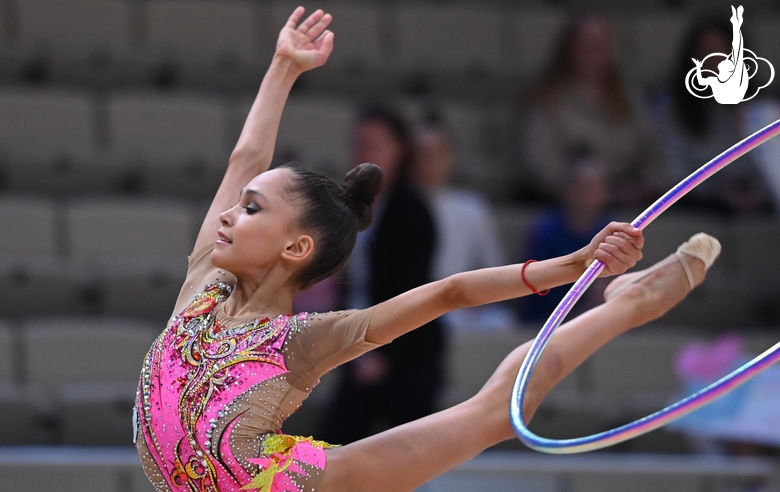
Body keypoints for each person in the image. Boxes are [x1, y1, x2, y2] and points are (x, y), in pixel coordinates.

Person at [134, 8, 722, 492]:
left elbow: (450, 291)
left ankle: (629, 304)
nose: (230, 212)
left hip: (304, 485)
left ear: (297, 246)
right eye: (239, 204)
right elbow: (246, 160)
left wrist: (573, 266)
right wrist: (284, 68)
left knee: (494, 415)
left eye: (252, 208)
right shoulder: (203, 283)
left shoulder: (304, 341)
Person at [317, 104, 444, 444]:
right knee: (330, 450)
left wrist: (384, 353)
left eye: (372, 145)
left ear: (399, 150)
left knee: (410, 461)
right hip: (358, 350)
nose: (362, 153)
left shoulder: (412, 211)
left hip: (405, 355)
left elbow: (412, 288)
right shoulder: (346, 208)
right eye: (358, 144)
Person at [519, 13, 660, 207]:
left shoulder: (630, 102)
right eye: (585, 44)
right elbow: (538, 164)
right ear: (569, 49)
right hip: (565, 204)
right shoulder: (547, 99)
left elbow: (652, 157)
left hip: (623, 201)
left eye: (600, 45)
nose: (593, 52)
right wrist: (583, 190)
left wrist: (638, 189)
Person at [653, 15, 773, 215]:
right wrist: (717, 193)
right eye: (707, 52)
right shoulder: (671, 109)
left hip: (756, 205)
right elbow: (674, 172)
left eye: (722, 52)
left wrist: (757, 194)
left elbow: (770, 166)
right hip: (699, 204)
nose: (715, 60)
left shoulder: (758, 109)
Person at [411, 120, 513, 332]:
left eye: (438, 153)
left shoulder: (472, 208)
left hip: (462, 305)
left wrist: (474, 299)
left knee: (501, 321)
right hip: (413, 305)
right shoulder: (398, 209)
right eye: (423, 155)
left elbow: (494, 268)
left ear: (450, 157)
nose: (431, 162)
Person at [521, 154, 613, 323]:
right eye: (580, 187)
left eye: (592, 187)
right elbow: (537, 285)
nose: (586, 195)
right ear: (567, 190)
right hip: (546, 318)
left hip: (597, 318)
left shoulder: (613, 231)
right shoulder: (545, 231)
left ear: (605, 192)